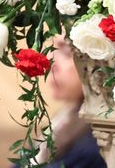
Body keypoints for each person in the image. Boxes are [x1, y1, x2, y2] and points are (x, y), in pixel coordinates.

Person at [10, 38, 106, 168]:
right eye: (51, 48)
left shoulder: (96, 144)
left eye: (65, 51)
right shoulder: (66, 115)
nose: (50, 63)